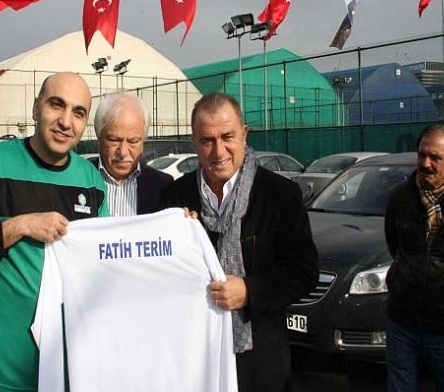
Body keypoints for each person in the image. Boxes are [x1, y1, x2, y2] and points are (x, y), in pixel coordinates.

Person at [0, 72, 109, 392]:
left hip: (72, 364)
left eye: (78, 112)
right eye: (56, 105)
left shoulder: (90, 178)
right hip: (7, 370)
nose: (65, 121)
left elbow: (106, 261)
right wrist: (22, 225)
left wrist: (177, 231)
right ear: (35, 108)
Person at [159, 92, 319, 392]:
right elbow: (161, 276)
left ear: (244, 134)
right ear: (194, 142)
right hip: (195, 359)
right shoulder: (174, 199)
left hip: (260, 363)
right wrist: (177, 239)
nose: (219, 151)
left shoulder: (280, 195)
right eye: (207, 140)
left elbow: (305, 272)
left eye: (227, 137)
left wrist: (249, 291)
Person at [385, 124, 444, 392]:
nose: (426, 163)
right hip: (403, 320)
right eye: (422, 155)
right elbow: (396, 246)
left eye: (435, 157)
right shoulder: (400, 199)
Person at [93, 92, 173, 216]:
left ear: (144, 140)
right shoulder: (76, 179)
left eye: (133, 141)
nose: (123, 152)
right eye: (114, 140)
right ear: (99, 136)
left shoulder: (164, 187)